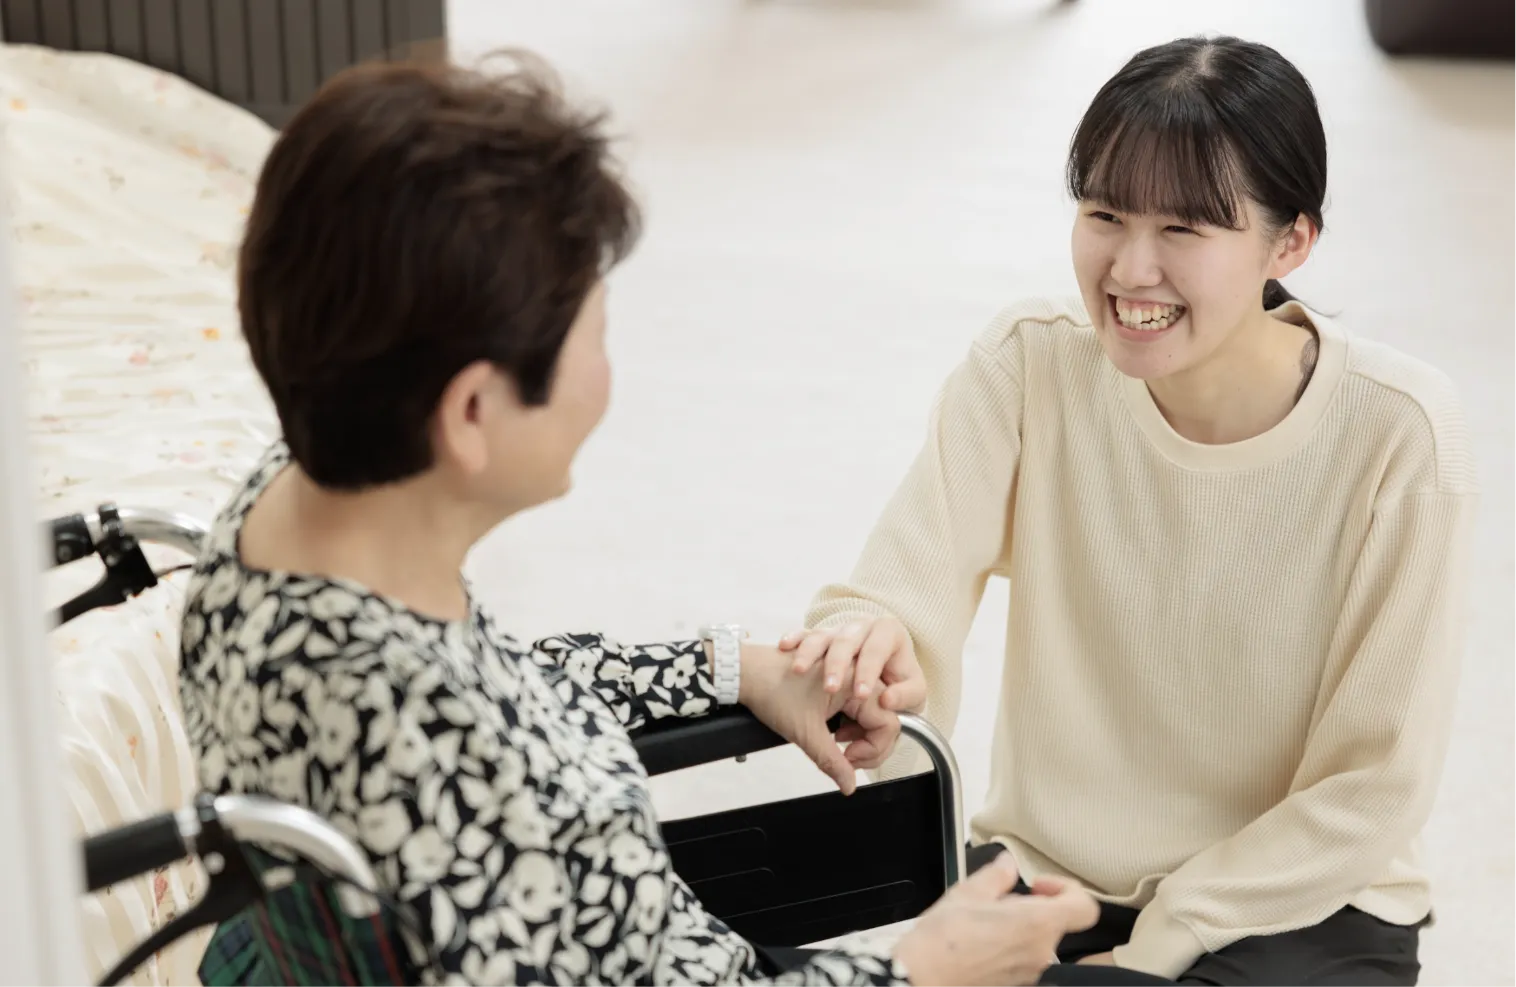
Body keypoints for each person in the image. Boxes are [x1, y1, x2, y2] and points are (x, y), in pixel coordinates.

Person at [173, 53, 1140, 987]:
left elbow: (491, 684)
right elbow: (470, 743)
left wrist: (729, 668)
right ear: (473, 413)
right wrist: (921, 969)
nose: (608, 374)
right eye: (594, 337)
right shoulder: (435, 753)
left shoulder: (292, 510)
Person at [784, 34, 1479, 987]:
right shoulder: (1033, 364)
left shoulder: (1398, 432)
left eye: (1185, 230)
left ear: (1292, 241)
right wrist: (866, 641)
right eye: (1104, 212)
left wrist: (1158, 941)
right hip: (1048, 881)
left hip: (1295, 907)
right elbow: (906, 585)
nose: (1130, 269)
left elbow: (1373, 786)